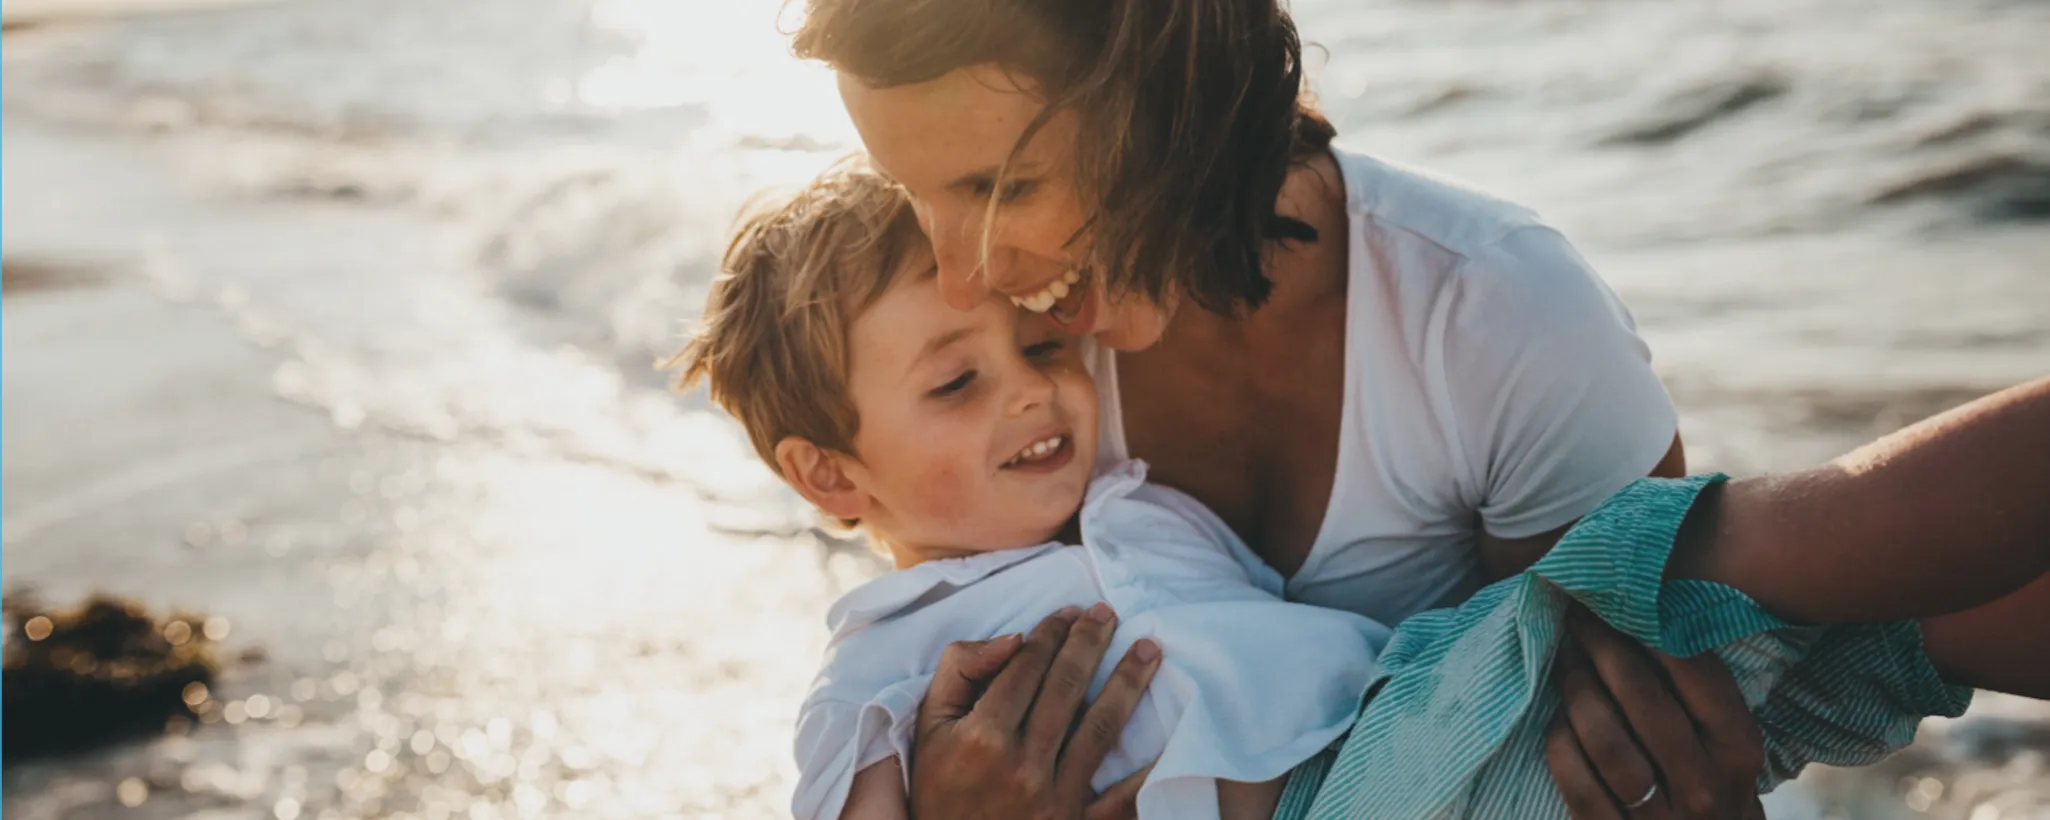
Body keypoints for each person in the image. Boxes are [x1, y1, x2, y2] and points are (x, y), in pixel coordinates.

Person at [672, 163, 2050, 819]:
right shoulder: (884, 667)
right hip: (1372, 792)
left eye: (1037, 345)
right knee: (1713, 559)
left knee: (1884, 634)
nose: (1034, 389)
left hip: (1430, 722)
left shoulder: (1135, 499)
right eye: (955, 385)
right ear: (828, 475)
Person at [788, 1, 1754, 815]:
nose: (967, 276)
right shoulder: (1023, 365)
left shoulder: (1491, 317)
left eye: (1004, 188)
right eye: (914, 195)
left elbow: (1668, 745)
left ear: (1173, 107)